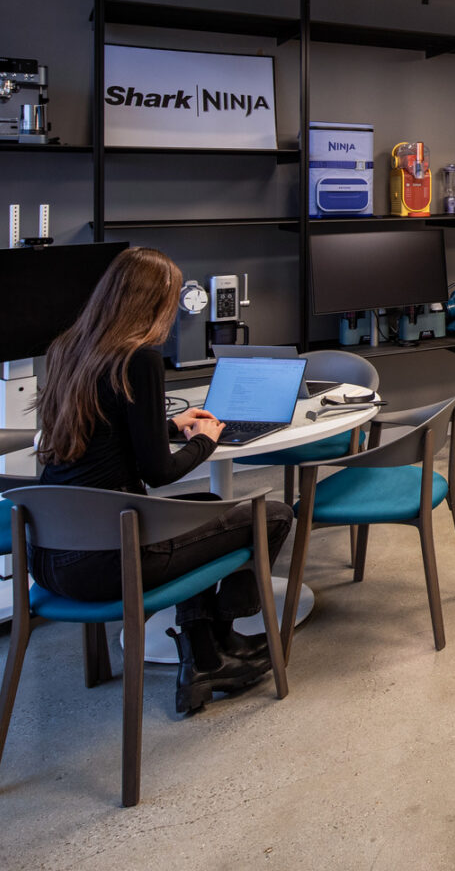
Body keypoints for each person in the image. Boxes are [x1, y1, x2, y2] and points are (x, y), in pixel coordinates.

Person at [32, 247, 294, 715]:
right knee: (273, 516)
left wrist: (169, 426)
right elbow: (159, 473)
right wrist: (205, 441)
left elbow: (105, 432)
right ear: (154, 303)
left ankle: (205, 653)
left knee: (205, 503)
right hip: (111, 559)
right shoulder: (138, 360)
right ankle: (218, 643)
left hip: (51, 556)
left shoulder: (70, 349)